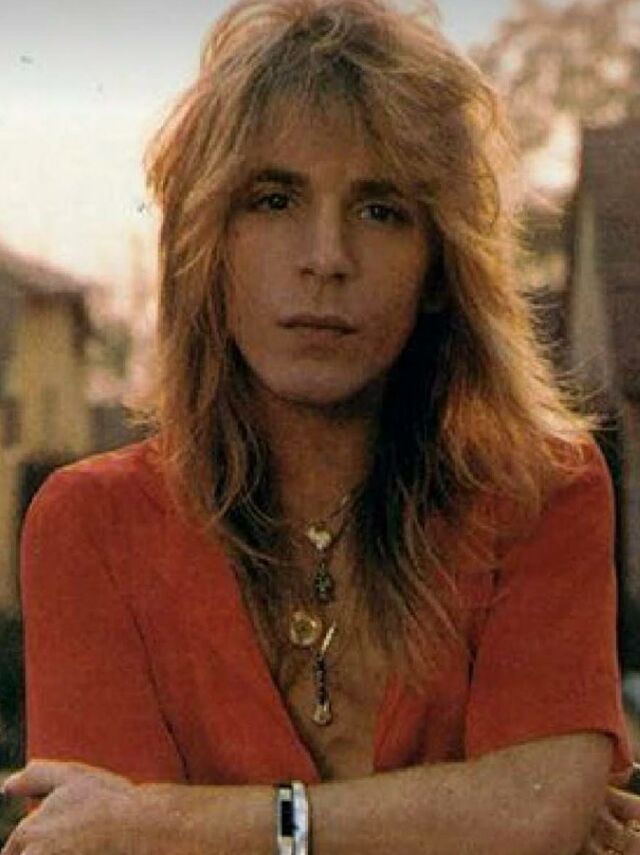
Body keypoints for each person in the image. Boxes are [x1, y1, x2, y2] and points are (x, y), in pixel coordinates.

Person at [2, 0, 640, 852]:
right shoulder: (91, 525)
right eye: (273, 200)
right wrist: (474, 813)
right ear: (206, 247)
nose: (326, 258)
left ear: (440, 267)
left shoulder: (539, 490)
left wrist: (168, 821)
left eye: (381, 210)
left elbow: (534, 810)